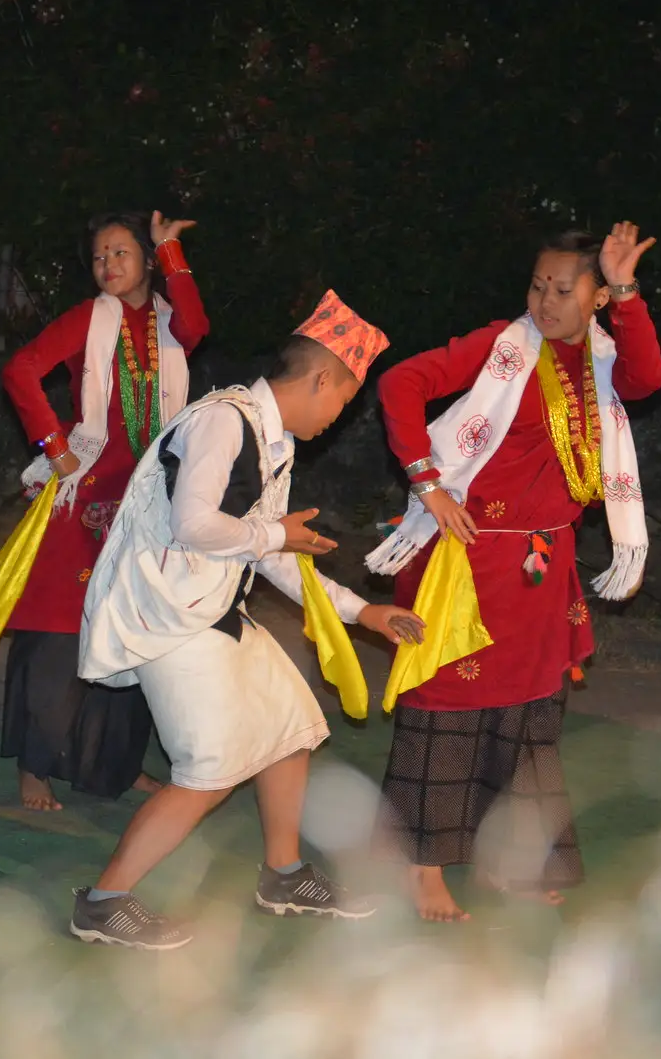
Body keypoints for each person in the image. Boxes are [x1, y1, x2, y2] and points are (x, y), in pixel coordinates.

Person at [69, 292, 424, 949]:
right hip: (168, 616)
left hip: (210, 606)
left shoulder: (271, 440)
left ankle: (283, 875)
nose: (341, 417)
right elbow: (195, 524)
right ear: (322, 379)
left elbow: (268, 549)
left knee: (290, 725)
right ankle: (102, 902)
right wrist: (274, 534)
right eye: (346, 399)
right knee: (209, 769)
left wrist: (363, 610)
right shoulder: (223, 422)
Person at [368, 224, 661, 923]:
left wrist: (629, 292)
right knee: (446, 708)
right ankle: (420, 868)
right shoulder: (502, 346)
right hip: (470, 558)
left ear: (596, 297)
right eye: (537, 286)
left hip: (542, 568)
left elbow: (648, 379)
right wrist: (427, 484)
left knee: (527, 716)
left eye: (563, 290)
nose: (545, 302)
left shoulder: (600, 358)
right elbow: (400, 382)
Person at [0, 210, 206, 811]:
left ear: (146, 260)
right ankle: (34, 766)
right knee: (58, 632)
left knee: (134, 629)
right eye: (98, 256)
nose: (108, 265)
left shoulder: (168, 323)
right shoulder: (89, 318)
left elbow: (197, 323)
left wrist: (172, 251)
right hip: (83, 493)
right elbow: (20, 370)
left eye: (121, 253)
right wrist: (54, 447)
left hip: (147, 496)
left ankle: (115, 765)